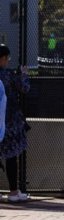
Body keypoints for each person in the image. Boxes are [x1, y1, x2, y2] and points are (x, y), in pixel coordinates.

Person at [0, 45, 31, 203]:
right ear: (3, 58)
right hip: (10, 121)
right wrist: (24, 74)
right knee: (11, 156)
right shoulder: (8, 75)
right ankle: (13, 191)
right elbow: (25, 88)